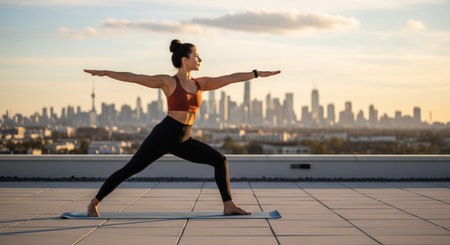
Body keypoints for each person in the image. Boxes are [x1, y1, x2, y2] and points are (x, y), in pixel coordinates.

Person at [83, 39, 281, 217]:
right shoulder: (168, 82)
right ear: (185, 60)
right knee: (130, 169)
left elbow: (230, 77)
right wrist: (107, 72)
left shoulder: (200, 83)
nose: (200, 59)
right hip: (164, 135)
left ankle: (228, 205)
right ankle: (94, 203)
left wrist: (257, 74)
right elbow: (135, 77)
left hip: (184, 138)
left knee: (220, 160)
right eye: (196, 56)